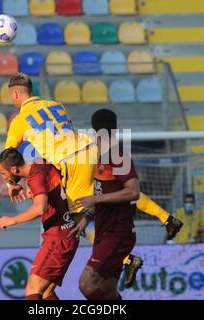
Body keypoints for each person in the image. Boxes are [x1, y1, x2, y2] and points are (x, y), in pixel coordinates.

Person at [3, 73, 183, 287]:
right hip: (89, 147)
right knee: (114, 187)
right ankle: (167, 218)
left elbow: (8, 157)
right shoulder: (55, 104)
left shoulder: (19, 120)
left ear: (15, 94)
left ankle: (126, 259)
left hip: (72, 161)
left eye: (11, 97)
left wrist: (13, 183)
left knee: (73, 218)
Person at [68, 109, 140, 300]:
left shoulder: (118, 157)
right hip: (104, 231)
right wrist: (86, 218)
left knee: (86, 284)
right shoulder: (101, 157)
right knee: (108, 292)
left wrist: (95, 200)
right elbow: (103, 193)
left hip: (117, 234)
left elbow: (134, 191)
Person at [0, 148, 79, 300]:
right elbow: (50, 193)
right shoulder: (41, 163)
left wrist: (12, 220)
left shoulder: (35, 178)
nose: (4, 178)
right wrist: (29, 189)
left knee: (32, 290)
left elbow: (40, 208)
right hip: (67, 233)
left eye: (3, 173)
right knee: (46, 292)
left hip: (58, 238)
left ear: (14, 169)